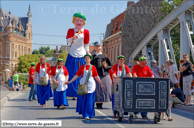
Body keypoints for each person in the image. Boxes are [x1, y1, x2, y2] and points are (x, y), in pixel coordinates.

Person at [66, 54, 105, 120]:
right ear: (84, 59)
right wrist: (70, 81)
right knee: (83, 100)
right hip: (83, 85)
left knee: (89, 101)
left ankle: (89, 114)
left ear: (90, 59)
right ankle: (85, 114)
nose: (87, 59)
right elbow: (77, 75)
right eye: (86, 58)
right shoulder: (81, 67)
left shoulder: (93, 67)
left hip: (90, 86)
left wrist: (101, 83)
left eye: (88, 58)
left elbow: (96, 76)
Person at [65, 12, 90, 99]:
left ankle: (81, 90)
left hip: (81, 55)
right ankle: (69, 92)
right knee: (70, 73)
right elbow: (67, 41)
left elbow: (86, 44)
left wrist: (88, 53)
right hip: (72, 54)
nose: (79, 22)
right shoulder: (70, 30)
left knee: (82, 74)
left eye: (81, 21)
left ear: (83, 22)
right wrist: (72, 38)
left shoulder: (86, 31)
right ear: (74, 21)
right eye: (77, 20)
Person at [91, 41, 112, 109]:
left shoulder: (105, 56)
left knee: (104, 90)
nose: (98, 48)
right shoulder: (92, 57)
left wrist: (106, 67)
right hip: (96, 75)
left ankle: (101, 103)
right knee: (96, 90)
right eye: (96, 46)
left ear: (101, 47)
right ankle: (97, 103)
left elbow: (111, 65)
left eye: (99, 46)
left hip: (104, 75)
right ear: (95, 48)